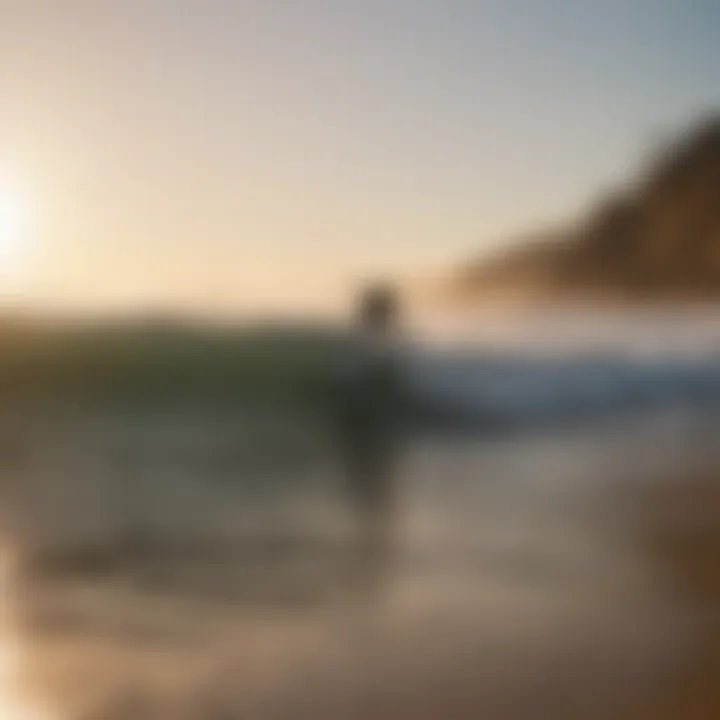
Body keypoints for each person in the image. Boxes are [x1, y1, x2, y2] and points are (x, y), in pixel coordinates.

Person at [330, 282, 407, 587]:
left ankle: (366, 510)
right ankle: (366, 509)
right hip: (358, 414)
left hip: (364, 416)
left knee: (368, 478)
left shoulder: (374, 338)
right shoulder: (365, 339)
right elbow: (353, 377)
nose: (390, 316)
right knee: (366, 474)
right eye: (385, 310)